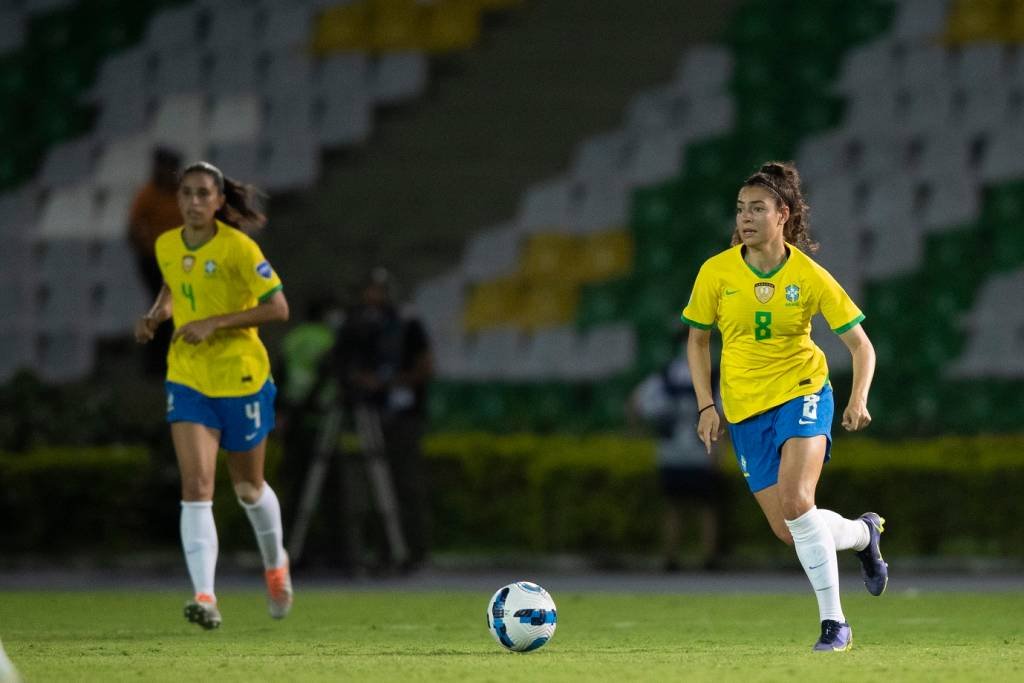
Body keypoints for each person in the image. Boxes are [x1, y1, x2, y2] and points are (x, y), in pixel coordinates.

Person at [681, 161, 887, 652]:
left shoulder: (810, 276)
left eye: (757, 208)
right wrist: (707, 406)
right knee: (792, 531)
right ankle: (863, 534)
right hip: (746, 409)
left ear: (783, 215)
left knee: (798, 502)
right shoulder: (717, 271)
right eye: (740, 209)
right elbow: (697, 341)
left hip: (803, 391)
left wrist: (858, 398)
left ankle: (835, 625)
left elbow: (861, 346)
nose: (745, 218)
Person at [133, 161, 292, 630]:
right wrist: (157, 314)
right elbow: (175, 285)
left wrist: (214, 323)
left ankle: (275, 563)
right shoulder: (166, 243)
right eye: (187, 193)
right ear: (178, 199)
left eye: (204, 193)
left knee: (248, 489)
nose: (195, 202)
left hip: (241, 377)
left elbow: (278, 307)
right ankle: (206, 596)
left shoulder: (239, 248)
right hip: (188, 378)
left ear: (220, 201)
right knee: (197, 486)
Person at [332, 267, 434, 572]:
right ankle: (379, 551)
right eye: (369, 289)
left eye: (379, 289)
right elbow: (345, 362)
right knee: (371, 486)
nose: (373, 296)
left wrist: (386, 383)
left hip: (402, 414)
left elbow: (425, 367)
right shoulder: (356, 325)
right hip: (368, 412)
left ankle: (412, 552)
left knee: (404, 484)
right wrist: (359, 380)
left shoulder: (406, 323)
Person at [627, 327, 723, 572]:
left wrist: (639, 431)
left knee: (674, 507)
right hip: (703, 451)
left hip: (670, 452)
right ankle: (708, 558)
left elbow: (636, 402)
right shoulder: (711, 375)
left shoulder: (666, 375)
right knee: (706, 507)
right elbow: (728, 414)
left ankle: (670, 558)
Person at [128, 147, 183, 377]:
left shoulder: (181, 194)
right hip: (153, 261)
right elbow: (132, 228)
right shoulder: (148, 195)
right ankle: (154, 363)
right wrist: (146, 251)